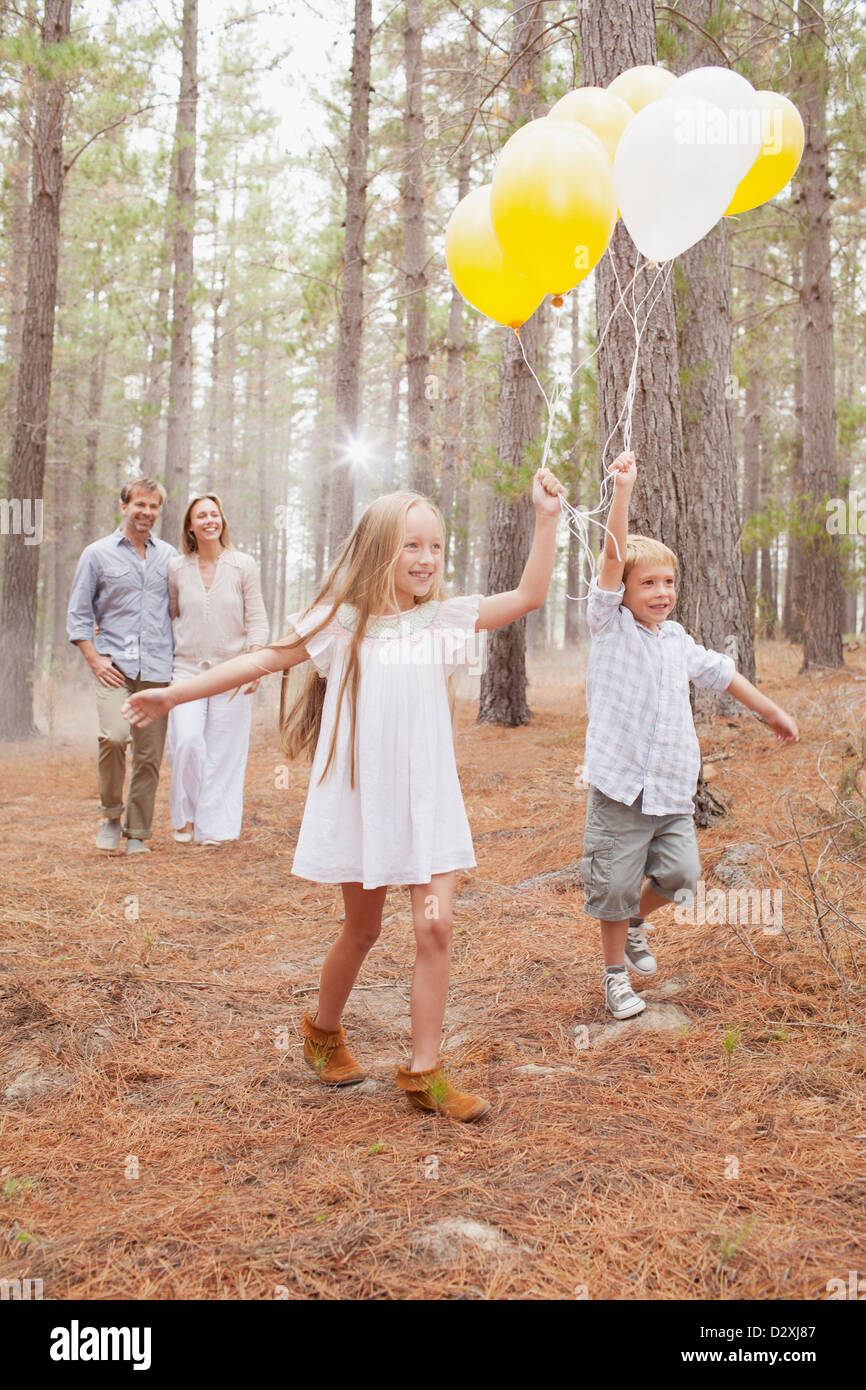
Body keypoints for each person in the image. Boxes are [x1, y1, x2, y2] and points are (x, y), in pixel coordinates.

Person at [122, 467, 566, 1120]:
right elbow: (260, 660)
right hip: (363, 799)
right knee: (362, 929)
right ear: (378, 548)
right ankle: (322, 1031)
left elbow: (529, 594)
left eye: (435, 546)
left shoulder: (442, 620)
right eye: (411, 544)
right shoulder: (340, 622)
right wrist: (173, 693)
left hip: (428, 801)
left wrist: (547, 517)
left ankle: (424, 1073)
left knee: (434, 929)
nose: (425, 558)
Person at [580, 450, 799, 1021]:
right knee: (612, 885)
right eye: (647, 582)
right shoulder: (609, 627)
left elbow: (726, 676)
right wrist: (623, 490)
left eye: (669, 582)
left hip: (672, 791)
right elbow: (610, 554)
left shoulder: (677, 639)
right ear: (622, 591)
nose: (661, 591)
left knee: (682, 878)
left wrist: (772, 712)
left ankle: (636, 922)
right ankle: (613, 976)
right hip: (621, 789)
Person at [67, 477, 177, 854]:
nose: (146, 512)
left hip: (159, 672)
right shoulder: (96, 554)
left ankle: (138, 834)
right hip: (115, 668)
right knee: (113, 737)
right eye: (140, 505)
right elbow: (79, 615)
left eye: (153, 506)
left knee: (149, 757)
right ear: (124, 507)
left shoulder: (170, 557)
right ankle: (111, 816)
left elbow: (179, 612)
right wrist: (94, 659)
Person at [166, 494, 269, 846]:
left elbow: (256, 617)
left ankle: (216, 829)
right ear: (190, 526)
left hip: (232, 670)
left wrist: (255, 665)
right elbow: (170, 615)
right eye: (201, 516)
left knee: (226, 750)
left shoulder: (243, 565)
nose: (210, 520)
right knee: (189, 741)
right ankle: (187, 817)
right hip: (186, 671)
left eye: (215, 514)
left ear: (222, 520)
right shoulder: (177, 568)